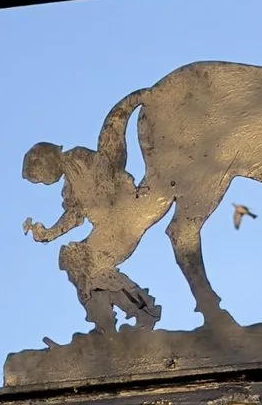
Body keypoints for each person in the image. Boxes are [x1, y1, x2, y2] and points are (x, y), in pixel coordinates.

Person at [20, 134, 164, 333]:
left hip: (120, 218)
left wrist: (100, 205)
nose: (44, 182)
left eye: (41, 177)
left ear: (46, 160)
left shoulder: (79, 159)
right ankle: (106, 322)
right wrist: (48, 233)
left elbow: (105, 182)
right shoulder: (70, 178)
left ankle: (143, 312)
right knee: (77, 263)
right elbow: (75, 214)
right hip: (108, 225)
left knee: (89, 263)